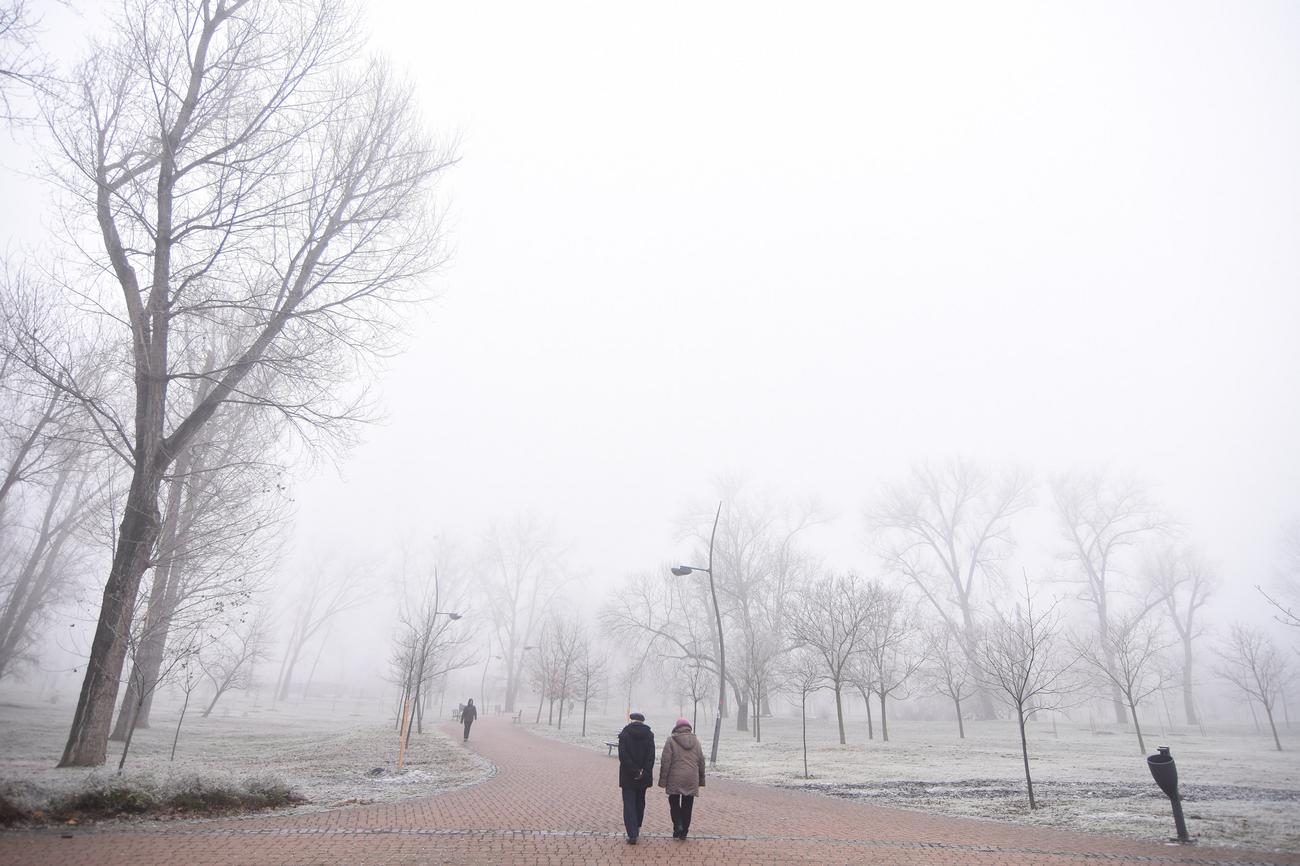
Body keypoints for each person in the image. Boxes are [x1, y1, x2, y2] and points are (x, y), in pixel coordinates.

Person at [658, 717, 705, 839]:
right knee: (688, 804)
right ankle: (684, 831)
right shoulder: (696, 741)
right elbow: (701, 761)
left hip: (675, 777)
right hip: (691, 777)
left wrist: (663, 780)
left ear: (677, 728)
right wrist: (701, 780)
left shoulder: (671, 740)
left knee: (673, 801)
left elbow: (666, 761)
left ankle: (678, 825)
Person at [617, 711, 655, 845]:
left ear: (631, 720)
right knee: (640, 802)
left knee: (628, 804)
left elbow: (623, 755)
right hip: (644, 776)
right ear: (642, 721)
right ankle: (637, 825)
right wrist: (643, 771)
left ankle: (632, 833)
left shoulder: (625, 734)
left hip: (628, 775)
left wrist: (634, 771)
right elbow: (651, 756)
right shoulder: (649, 735)